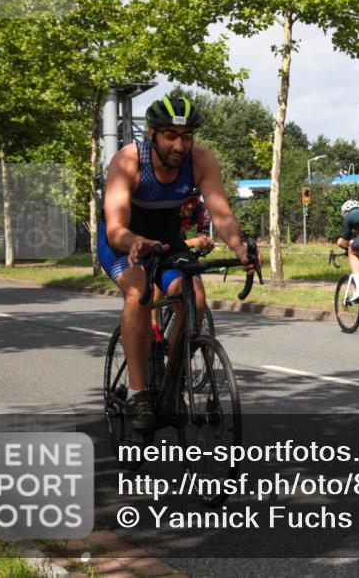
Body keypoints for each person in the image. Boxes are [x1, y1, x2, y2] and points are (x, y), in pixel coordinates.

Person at [98, 95, 259, 431]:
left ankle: (172, 379)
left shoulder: (200, 160)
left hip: (167, 240)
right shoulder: (129, 160)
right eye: (170, 135)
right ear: (152, 134)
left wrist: (239, 247)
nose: (179, 145)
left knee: (194, 298)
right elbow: (115, 228)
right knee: (138, 292)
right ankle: (137, 393)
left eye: (187, 137)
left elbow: (221, 213)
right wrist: (135, 241)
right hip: (124, 242)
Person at [150, 188, 214, 343]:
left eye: (194, 201)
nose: (191, 206)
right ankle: (153, 322)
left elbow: (202, 234)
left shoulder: (202, 210)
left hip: (179, 239)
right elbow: (164, 245)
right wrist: (192, 242)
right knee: (160, 268)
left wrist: (205, 243)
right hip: (161, 241)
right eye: (187, 201)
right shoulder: (168, 209)